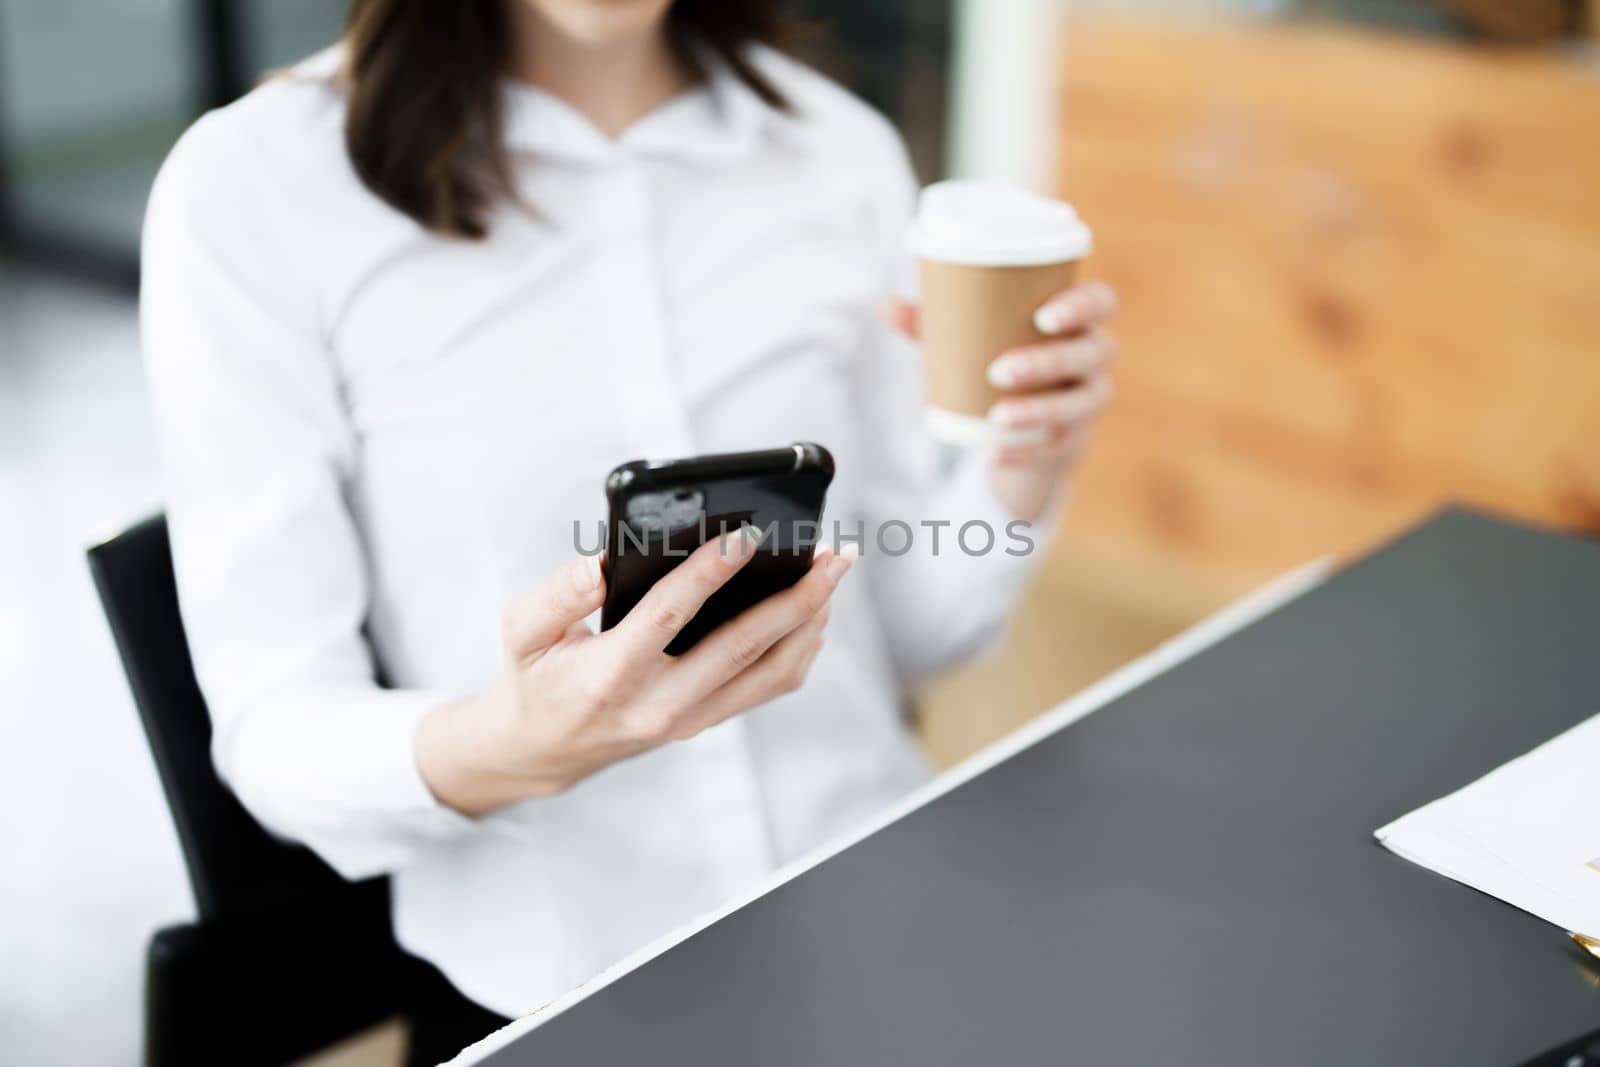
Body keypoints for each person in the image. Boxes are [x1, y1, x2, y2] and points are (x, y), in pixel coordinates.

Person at [140, 0, 1117, 1059]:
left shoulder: (839, 153)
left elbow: (910, 633)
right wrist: (511, 745)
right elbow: (274, 730)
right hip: (557, 1004)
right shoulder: (255, 189)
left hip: (880, 931)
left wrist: (1019, 467)